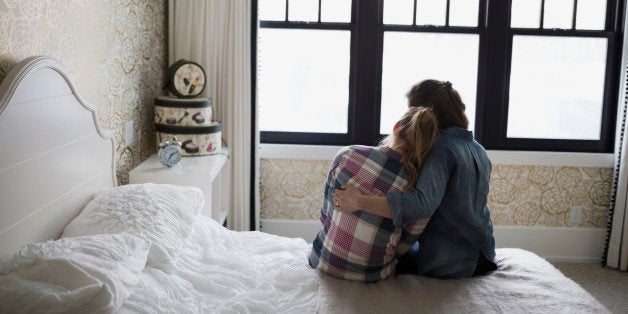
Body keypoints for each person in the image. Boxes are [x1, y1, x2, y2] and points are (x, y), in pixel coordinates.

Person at [333, 79, 497, 279]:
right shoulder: (477, 148)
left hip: (453, 262)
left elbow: (421, 205)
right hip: (484, 254)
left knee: (382, 257)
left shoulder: (442, 149)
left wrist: (359, 202)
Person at [308, 106, 439, 282]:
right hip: (372, 276)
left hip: (322, 262)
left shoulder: (348, 154)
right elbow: (403, 246)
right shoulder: (417, 190)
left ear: (396, 127)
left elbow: (326, 214)